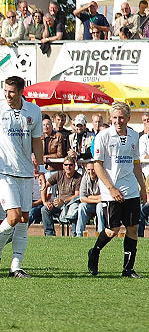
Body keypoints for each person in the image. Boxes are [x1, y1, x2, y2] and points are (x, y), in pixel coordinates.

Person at [0, 76, 45, 278]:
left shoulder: (33, 111)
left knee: (24, 219)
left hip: (25, 172)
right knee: (13, 217)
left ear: (21, 92)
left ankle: (15, 266)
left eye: (11, 92)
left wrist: (41, 169)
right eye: (5, 91)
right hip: (3, 171)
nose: (7, 95)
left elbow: (37, 141)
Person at [88, 101, 146, 278]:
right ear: (110, 118)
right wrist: (111, 188)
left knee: (133, 227)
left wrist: (142, 189)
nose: (118, 121)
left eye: (121, 117)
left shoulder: (134, 136)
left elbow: (136, 163)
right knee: (112, 230)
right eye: (114, 117)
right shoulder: (103, 136)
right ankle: (95, 251)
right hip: (110, 190)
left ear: (128, 118)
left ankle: (128, 269)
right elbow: (97, 165)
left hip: (130, 189)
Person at [41, 156, 82, 237]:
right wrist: (45, 202)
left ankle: (74, 234)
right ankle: (50, 235)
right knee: (44, 209)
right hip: (58, 204)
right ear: (63, 166)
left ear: (74, 166)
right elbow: (44, 186)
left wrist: (64, 201)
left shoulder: (78, 177)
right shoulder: (59, 174)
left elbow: (77, 195)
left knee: (76, 208)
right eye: (66, 165)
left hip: (71, 204)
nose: (68, 167)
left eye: (70, 165)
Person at [76, 161, 104, 237]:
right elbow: (82, 198)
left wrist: (89, 197)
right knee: (82, 206)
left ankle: (101, 233)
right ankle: (79, 234)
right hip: (91, 204)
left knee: (100, 206)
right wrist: (97, 199)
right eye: (88, 169)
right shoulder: (84, 178)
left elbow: (104, 196)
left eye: (93, 169)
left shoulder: (102, 177)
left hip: (101, 204)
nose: (91, 172)